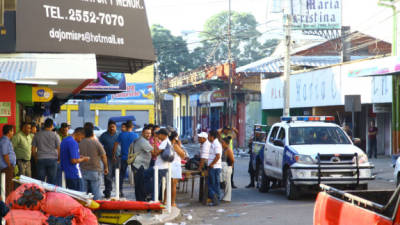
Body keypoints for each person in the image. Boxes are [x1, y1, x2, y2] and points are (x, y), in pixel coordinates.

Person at [79, 123, 108, 200]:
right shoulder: (96, 143)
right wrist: (106, 167)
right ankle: (96, 210)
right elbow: (103, 156)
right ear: (92, 133)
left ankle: (84, 208)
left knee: (83, 193)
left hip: (83, 170)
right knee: (96, 192)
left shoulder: (80, 143)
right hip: (95, 170)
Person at [112, 120, 138, 197]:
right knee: (136, 175)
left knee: (121, 175)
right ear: (132, 127)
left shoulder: (121, 135)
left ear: (126, 127)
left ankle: (120, 191)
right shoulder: (135, 135)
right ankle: (137, 191)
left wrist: (114, 154)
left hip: (124, 157)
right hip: (133, 158)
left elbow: (116, 145)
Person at [32, 118, 61, 185]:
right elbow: (59, 148)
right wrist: (59, 159)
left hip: (40, 159)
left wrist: (36, 158)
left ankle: (41, 194)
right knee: (52, 180)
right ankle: (50, 194)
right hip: (53, 159)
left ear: (44, 125)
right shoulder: (55, 135)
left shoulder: (37, 135)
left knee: (40, 180)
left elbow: (33, 149)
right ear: (52, 126)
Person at [131, 126, 155, 201]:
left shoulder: (141, 140)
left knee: (139, 185)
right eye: (147, 133)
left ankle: (139, 201)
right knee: (140, 185)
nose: (148, 135)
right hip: (139, 166)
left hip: (138, 165)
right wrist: (155, 142)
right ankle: (141, 201)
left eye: (150, 133)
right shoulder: (143, 141)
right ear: (142, 133)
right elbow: (154, 153)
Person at [99, 120, 119, 199]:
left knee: (117, 175)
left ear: (115, 127)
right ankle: (108, 191)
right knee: (108, 175)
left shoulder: (119, 135)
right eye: (110, 127)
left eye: (113, 127)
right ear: (108, 127)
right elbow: (100, 146)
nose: (111, 128)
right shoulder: (104, 136)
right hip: (107, 158)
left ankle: (119, 192)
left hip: (117, 157)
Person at [153, 128, 171, 202]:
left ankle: (155, 201)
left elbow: (156, 153)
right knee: (160, 185)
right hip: (165, 166)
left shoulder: (164, 142)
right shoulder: (166, 142)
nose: (158, 136)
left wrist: (155, 143)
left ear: (163, 135)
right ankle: (159, 200)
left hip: (160, 167)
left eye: (159, 134)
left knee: (157, 185)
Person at [169, 131, 186, 207]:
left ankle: (166, 201)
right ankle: (172, 202)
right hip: (175, 165)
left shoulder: (168, 144)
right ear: (175, 138)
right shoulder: (175, 145)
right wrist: (180, 146)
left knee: (169, 185)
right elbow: (183, 155)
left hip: (171, 165)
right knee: (174, 185)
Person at [0, 125, 16, 196]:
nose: (13, 133)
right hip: (6, 167)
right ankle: (6, 202)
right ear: (9, 132)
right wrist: (9, 165)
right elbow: (5, 154)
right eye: (12, 131)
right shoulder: (5, 141)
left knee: (8, 184)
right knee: (8, 185)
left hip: (7, 166)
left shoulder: (6, 140)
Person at [207, 130, 222, 206]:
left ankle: (216, 199)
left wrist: (211, 164)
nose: (208, 137)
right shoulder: (213, 144)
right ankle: (214, 198)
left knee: (214, 184)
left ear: (212, 137)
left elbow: (218, 156)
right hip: (213, 167)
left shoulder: (216, 144)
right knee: (211, 184)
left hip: (215, 168)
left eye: (209, 136)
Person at [221, 136, 235, 202]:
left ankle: (227, 198)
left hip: (227, 167)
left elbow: (232, 159)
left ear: (226, 143)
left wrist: (230, 166)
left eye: (222, 143)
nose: (221, 144)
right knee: (225, 183)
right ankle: (225, 197)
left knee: (227, 183)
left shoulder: (229, 150)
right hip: (225, 167)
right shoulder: (224, 149)